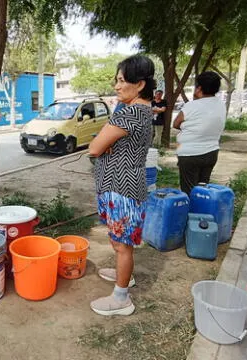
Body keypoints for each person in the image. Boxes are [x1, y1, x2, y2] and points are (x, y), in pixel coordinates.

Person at [88, 55, 154, 316]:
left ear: (139, 84)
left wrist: (104, 144)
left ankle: (121, 299)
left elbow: (94, 147)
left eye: (122, 81)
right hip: (119, 186)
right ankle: (123, 275)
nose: (116, 86)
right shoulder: (142, 109)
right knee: (119, 241)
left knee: (123, 244)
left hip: (121, 190)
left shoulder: (131, 112)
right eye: (116, 80)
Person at [172, 71, 226, 195]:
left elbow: (175, 124)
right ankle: (202, 212)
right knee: (202, 190)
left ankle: (191, 214)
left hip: (190, 155)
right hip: (211, 153)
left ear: (199, 88)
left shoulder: (191, 106)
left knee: (189, 191)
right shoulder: (220, 104)